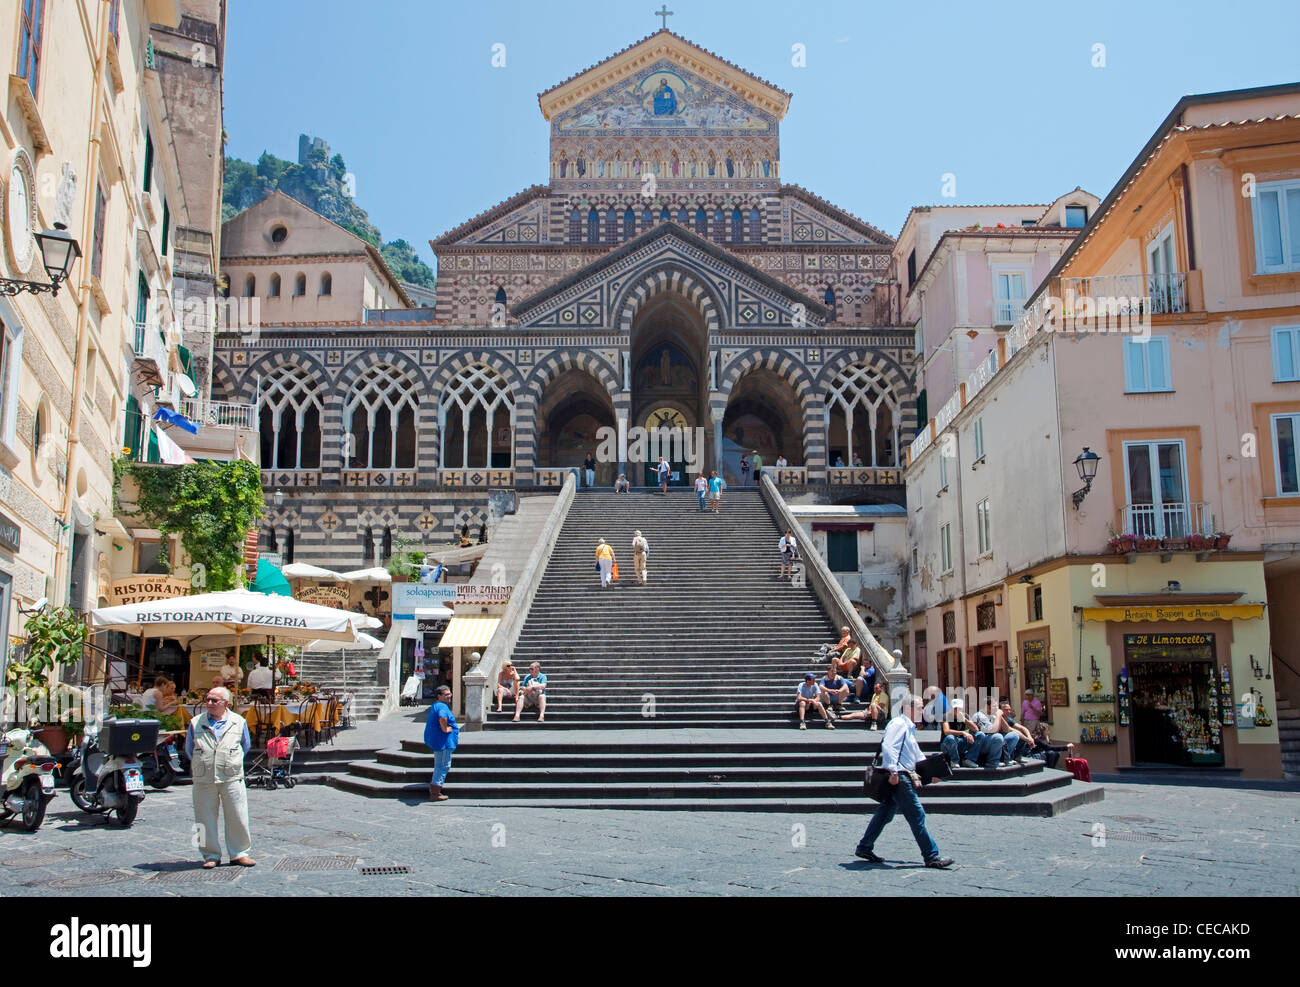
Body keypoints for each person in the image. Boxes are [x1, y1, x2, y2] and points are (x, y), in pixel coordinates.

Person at [854, 697, 953, 869]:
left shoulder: (908, 726)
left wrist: (931, 774)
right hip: (899, 776)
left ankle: (865, 846)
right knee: (917, 814)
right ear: (909, 708)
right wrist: (893, 771)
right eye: (921, 708)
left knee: (885, 813)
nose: (923, 712)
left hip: (901, 774)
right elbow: (889, 747)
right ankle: (932, 856)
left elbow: (916, 755)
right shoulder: (898, 723)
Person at [186, 686, 254, 868]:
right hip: (203, 777)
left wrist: (229, 760)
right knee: (203, 816)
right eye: (207, 700)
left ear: (226, 703)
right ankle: (210, 855)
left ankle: (240, 853)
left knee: (238, 814)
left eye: (214, 701)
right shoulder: (195, 722)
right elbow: (189, 749)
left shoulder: (238, 722)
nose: (209, 703)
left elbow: (245, 746)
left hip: (231, 775)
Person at [939, 698, 1000, 770]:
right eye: (955, 708)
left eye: (959, 708)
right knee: (950, 737)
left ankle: (969, 759)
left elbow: (976, 729)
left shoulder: (965, 716)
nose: (957, 710)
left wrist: (964, 720)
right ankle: (954, 761)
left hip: (960, 742)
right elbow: (946, 731)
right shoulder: (946, 716)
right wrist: (963, 732)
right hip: (947, 745)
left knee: (980, 735)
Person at [424, 685, 458, 801]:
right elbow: (442, 718)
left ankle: (435, 788)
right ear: (439, 696)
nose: (449, 696)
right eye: (446, 695)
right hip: (443, 742)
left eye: (450, 694)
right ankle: (435, 792)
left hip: (440, 741)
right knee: (443, 766)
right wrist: (445, 729)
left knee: (440, 764)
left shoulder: (437, 705)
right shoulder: (442, 707)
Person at [997, 699, 1034, 765]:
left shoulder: (1008, 719)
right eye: (1006, 710)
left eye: (1009, 709)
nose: (1008, 711)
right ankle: (1005, 758)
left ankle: (1017, 757)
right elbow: (1010, 729)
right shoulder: (998, 718)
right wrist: (1027, 739)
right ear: (1000, 710)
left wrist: (1030, 737)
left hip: (1006, 739)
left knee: (1021, 736)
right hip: (999, 740)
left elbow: (1023, 728)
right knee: (1015, 736)